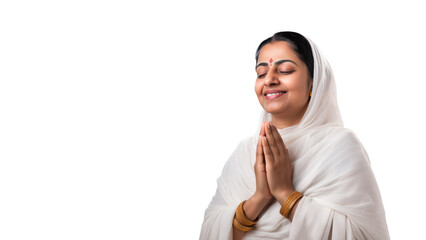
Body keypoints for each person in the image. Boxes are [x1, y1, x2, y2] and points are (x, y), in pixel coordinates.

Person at [199, 31, 390, 239]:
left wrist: (284, 193)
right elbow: (210, 231)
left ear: (313, 83)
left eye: (285, 70)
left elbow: (364, 235)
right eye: (261, 73)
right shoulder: (245, 153)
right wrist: (259, 198)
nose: (269, 80)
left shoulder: (339, 147)